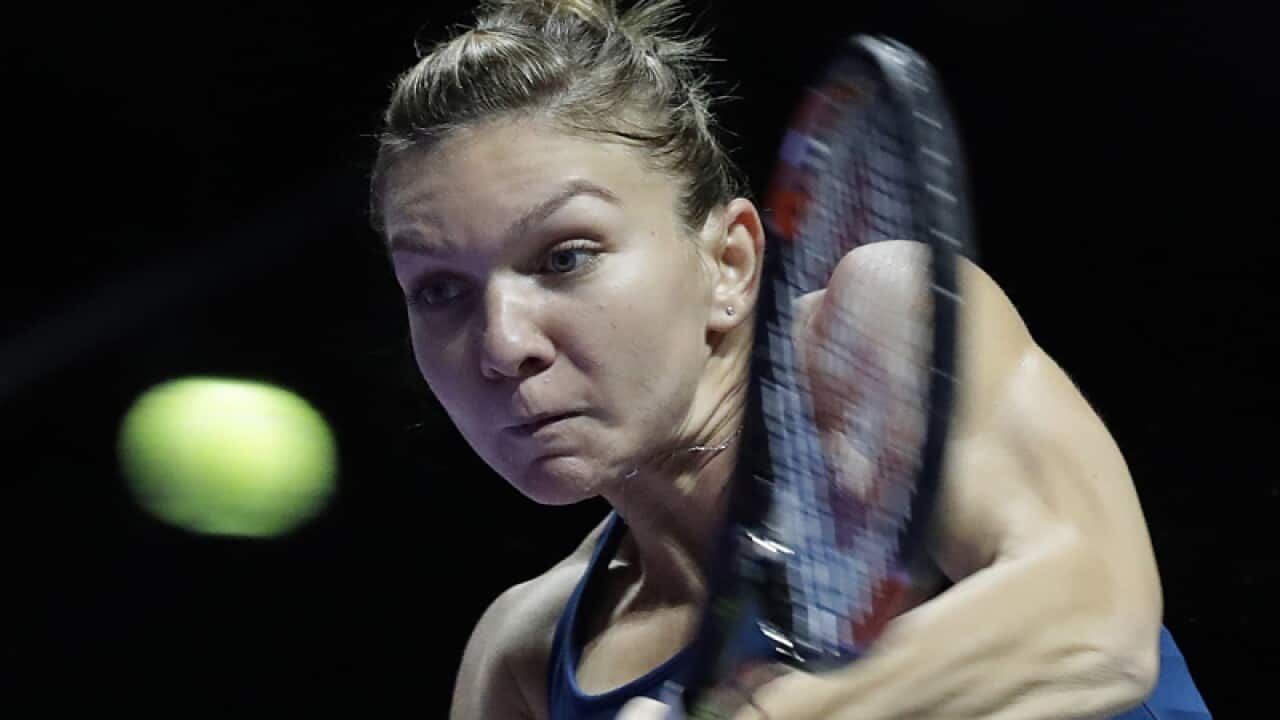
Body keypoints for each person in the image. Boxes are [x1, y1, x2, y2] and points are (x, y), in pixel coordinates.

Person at [368, 1, 1213, 718]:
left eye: (565, 256)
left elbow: (1096, 626)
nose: (504, 343)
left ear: (730, 262)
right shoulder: (519, 659)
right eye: (440, 290)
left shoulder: (870, 336)